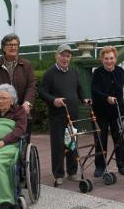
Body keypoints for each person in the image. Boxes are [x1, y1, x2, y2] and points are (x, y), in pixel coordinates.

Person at [38, 44, 91, 185]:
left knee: (72, 144)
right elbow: (42, 92)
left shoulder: (73, 72)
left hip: (72, 115)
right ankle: (58, 174)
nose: (65, 58)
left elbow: (79, 89)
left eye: (68, 56)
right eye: (62, 55)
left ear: (70, 57)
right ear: (57, 56)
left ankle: (72, 172)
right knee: (58, 145)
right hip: (57, 116)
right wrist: (53, 100)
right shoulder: (50, 73)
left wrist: (83, 99)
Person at [91, 45, 124, 177]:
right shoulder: (97, 73)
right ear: (102, 60)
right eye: (106, 58)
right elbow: (94, 91)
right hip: (101, 111)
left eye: (111, 58)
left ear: (115, 59)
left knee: (120, 138)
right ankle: (100, 166)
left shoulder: (120, 71)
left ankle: (121, 164)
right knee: (100, 139)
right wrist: (106, 98)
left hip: (118, 111)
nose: (109, 61)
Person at [0, 33, 36, 142]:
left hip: (21, 111)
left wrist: (27, 103)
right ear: (3, 48)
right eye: (10, 44)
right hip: (0, 112)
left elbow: (32, 86)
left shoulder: (26, 65)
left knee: (22, 143)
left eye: (16, 45)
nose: (13, 47)